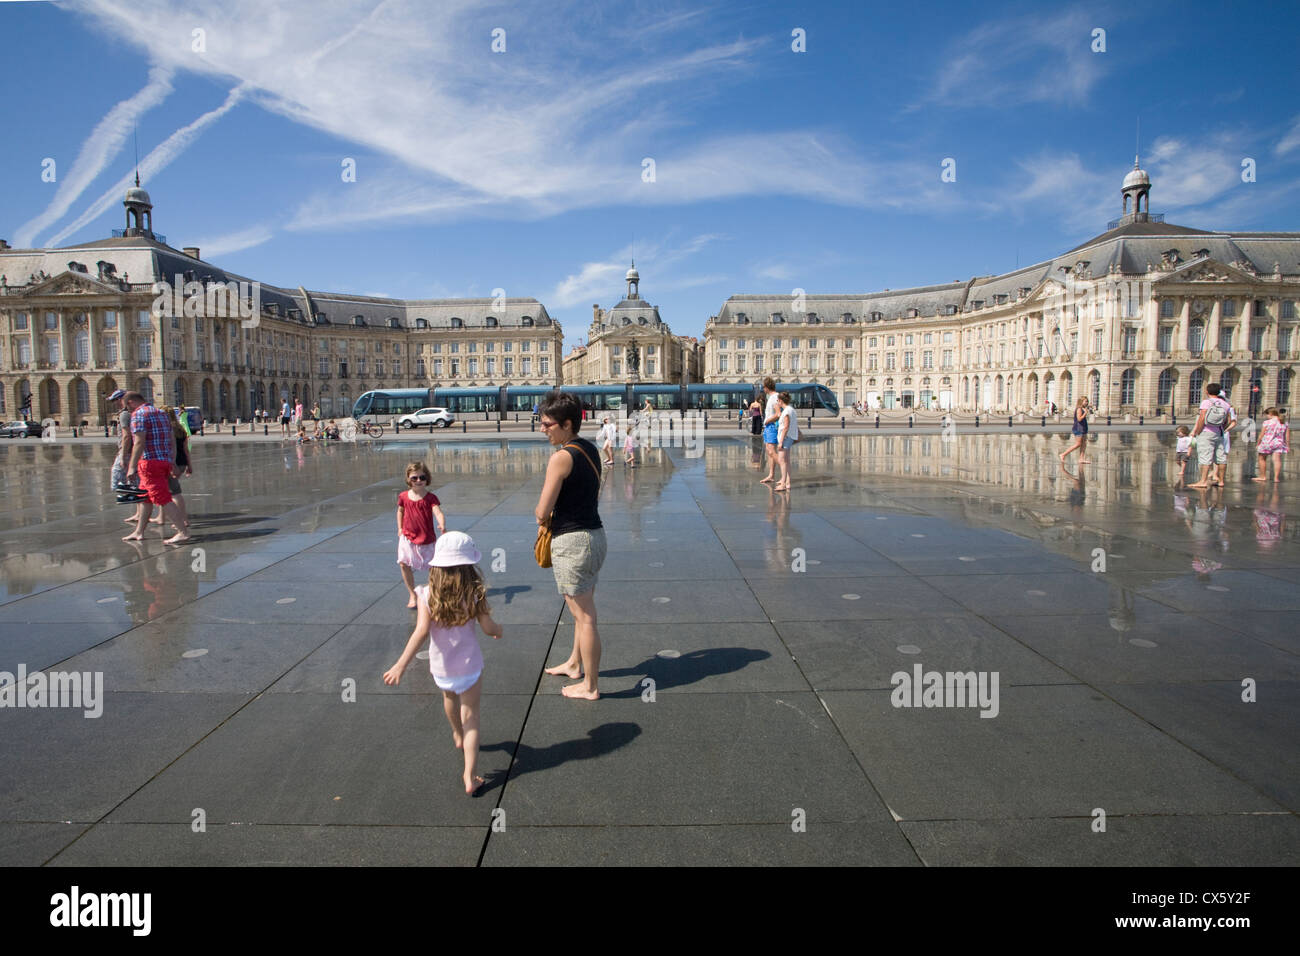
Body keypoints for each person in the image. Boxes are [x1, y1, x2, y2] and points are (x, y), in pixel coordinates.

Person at [383, 531, 503, 796]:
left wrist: (401, 665)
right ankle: (469, 775)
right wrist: (498, 630)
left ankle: (457, 734)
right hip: (470, 667)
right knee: (472, 716)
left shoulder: (426, 595)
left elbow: (421, 632)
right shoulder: (475, 593)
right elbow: (487, 627)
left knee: (449, 699)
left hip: (442, 668)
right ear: (469, 566)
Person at [536, 391, 606, 700]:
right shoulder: (588, 448)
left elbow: (542, 510)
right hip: (593, 536)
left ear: (566, 424)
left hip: (573, 541)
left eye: (548, 424)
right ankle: (575, 663)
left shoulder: (561, 457)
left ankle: (590, 686)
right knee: (580, 610)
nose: (543, 429)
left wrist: (541, 517)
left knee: (585, 616)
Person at [122, 392, 189, 544]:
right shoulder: (161, 413)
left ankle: (182, 532)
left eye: (126, 407)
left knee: (163, 498)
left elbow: (139, 442)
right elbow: (171, 439)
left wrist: (131, 466)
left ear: (131, 402)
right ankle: (139, 532)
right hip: (164, 460)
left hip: (149, 462)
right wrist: (171, 462)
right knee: (144, 497)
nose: (128, 410)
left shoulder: (138, 415)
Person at [397, 461, 446, 608]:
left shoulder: (430, 498)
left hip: (427, 538)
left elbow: (437, 511)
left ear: (427, 479)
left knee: (434, 567)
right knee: (403, 563)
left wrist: (442, 523)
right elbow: (400, 511)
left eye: (422, 477)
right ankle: (412, 594)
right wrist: (399, 528)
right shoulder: (404, 496)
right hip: (408, 537)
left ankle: (434, 592)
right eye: (414, 478)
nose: (418, 481)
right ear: (408, 479)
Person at [1189, 383, 1235, 489]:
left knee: (1205, 456)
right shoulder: (1225, 404)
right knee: (1221, 457)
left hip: (1206, 431)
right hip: (1219, 432)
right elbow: (1228, 420)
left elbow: (1202, 417)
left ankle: (1203, 481)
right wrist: (1222, 428)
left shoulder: (1206, 402)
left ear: (1207, 392)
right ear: (1219, 392)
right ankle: (1221, 481)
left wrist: (1199, 431)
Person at [1252, 407, 1289, 483]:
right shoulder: (1284, 422)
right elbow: (1287, 436)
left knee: (1262, 459)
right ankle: (1276, 478)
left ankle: (1263, 476)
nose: (1266, 417)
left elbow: (1261, 435)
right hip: (1279, 443)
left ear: (1271, 414)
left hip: (1267, 442)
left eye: (1267, 415)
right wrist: (1287, 445)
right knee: (1277, 460)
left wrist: (1258, 443)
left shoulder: (1267, 422)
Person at [774, 391, 800, 491]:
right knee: (787, 460)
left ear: (780, 401)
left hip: (785, 438)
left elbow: (785, 427)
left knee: (782, 461)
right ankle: (787, 482)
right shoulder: (791, 410)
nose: (777, 402)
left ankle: (783, 484)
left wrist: (780, 441)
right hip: (789, 437)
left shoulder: (786, 411)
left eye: (777, 401)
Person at [759, 377, 781, 483]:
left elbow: (778, 414)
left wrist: (767, 421)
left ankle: (785, 471)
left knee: (772, 451)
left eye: (763, 387)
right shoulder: (771, 397)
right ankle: (771, 475)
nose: (763, 389)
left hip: (771, 426)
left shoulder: (775, 397)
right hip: (769, 427)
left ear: (767, 387)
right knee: (769, 451)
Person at [1060, 397, 1091, 466]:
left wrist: (1087, 409)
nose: (1087, 403)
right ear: (1081, 401)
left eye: (1087, 401)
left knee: (1084, 443)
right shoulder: (1079, 409)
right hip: (1078, 428)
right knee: (1078, 444)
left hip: (1083, 427)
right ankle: (1063, 454)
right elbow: (1079, 419)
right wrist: (1085, 413)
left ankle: (1081, 459)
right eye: (1085, 401)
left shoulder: (1083, 408)